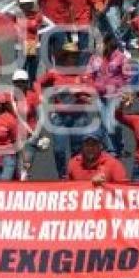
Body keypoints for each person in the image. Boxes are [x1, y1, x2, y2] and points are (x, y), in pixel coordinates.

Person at [37, 42, 96, 178]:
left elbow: (92, 89)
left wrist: (78, 90)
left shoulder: (82, 72)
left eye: (75, 56)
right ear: (64, 57)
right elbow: (38, 83)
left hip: (78, 116)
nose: (72, 58)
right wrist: (41, 96)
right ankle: (62, 175)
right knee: (59, 150)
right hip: (59, 117)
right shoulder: (55, 72)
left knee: (77, 149)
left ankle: (75, 174)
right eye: (69, 56)